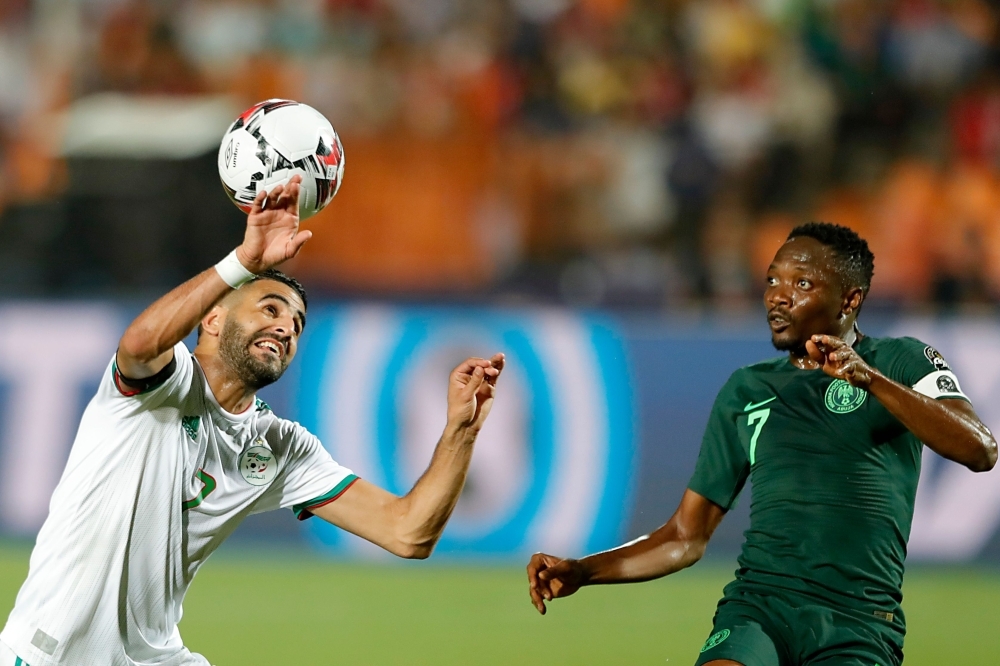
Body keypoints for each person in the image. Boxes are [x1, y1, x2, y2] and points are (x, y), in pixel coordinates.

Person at [0, 175, 504, 666]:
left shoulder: (280, 446)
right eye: (269, 307)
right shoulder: (161, 387)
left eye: (297, 323)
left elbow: (408, 532)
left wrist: (462, 430)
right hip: (52, 653)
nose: (286, 326)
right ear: (213, 320)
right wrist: (242, 262)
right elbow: (139, 345)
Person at [526, 222, 997, 666]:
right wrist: (584, 571)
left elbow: (980, 449)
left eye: (803, 284)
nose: (778, 297)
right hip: (758, 610)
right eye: (773, 280)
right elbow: (685, 537)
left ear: (849, 299)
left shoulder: (901, 360)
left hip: (859, 622)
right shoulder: (747, 390)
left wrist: (869, 379)